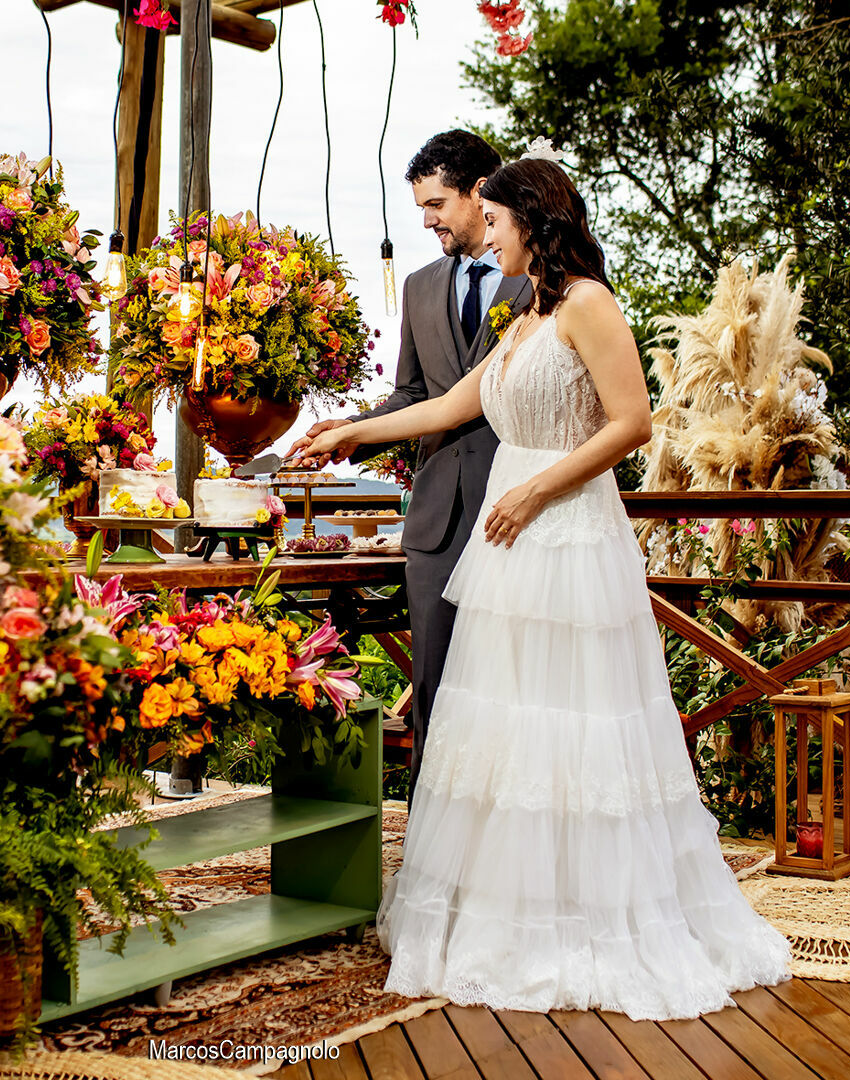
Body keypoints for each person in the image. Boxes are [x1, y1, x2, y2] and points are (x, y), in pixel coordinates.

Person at [290, 152, 789, 1018]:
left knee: (572, 720)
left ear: (532, 220)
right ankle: (504, 911)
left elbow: (631, 423)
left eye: (495, 221)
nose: (486, 236)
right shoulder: (525, 315)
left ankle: (586, 918)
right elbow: (449, 407)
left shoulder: (590, 304)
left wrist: (533, 491)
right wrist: (349, 433)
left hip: (564, 533)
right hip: (508, 543)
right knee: (505, 721)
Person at [290, 130, 532, 795]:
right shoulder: (422, 287)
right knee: (433, 688)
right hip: (437, 524)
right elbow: (414, 395)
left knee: (517, 685)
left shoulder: (539, 279)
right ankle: (430, 831)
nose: (426, 222)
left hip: (518, 509)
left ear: (479, 193)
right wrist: (352, 431)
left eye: (435, 205)